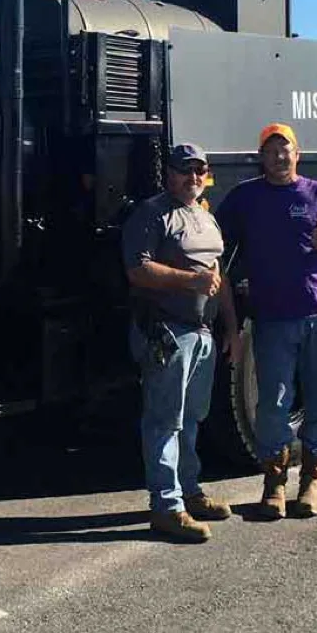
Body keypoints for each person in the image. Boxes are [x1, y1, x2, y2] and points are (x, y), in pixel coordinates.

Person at [215, 123, 317, 520]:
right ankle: (274, 485)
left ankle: (313, 481)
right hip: (273, 319)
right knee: (273, 405)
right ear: (261, 157)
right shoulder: (245, 198)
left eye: (286, 150)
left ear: (298, 154)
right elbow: (217, 249)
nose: (279, 157)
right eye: (271, 151)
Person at [122, 142, 242, 543]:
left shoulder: (204, 216)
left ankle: (190, 492)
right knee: (164, 421)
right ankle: (167, 507)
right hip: (167, 332)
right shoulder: (152, 213)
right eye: (184, 170)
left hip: (202, 333)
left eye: (199, 171)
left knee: (191, 419)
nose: (192, 177)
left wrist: (230, 326)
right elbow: (138, 270)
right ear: (169, 174)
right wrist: (190, 281)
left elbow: (217, 275)